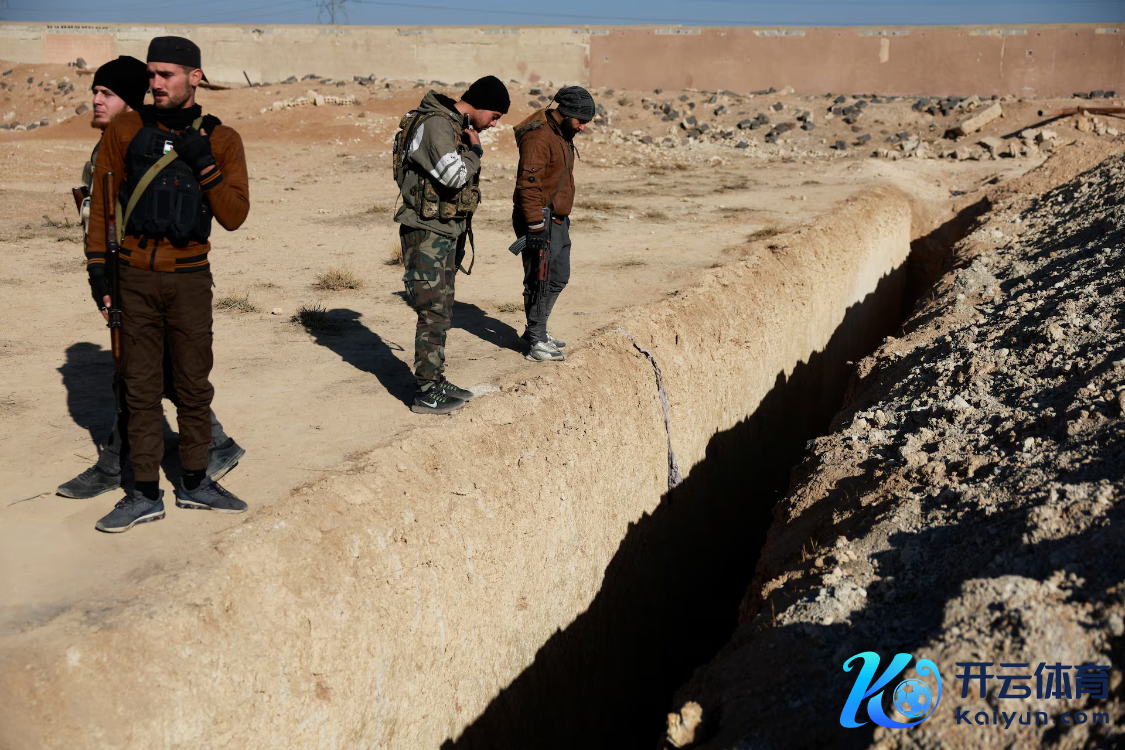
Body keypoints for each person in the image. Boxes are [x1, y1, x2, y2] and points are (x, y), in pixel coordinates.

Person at [58, 55, 244, 501]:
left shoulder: (168, 139)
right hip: (128, 274)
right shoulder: (113, 145)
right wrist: (100, 274)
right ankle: (183, 454)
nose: (96, 101)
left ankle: (135, 462)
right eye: (95, 92)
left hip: (168, 275)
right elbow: (99, 216)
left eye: (107, 94)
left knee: (159, 375)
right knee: (146, 375)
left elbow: (230, 212)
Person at [393, 76, 510, 414]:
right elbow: (454, 176)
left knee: (441, 311)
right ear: (481, 105)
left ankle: (435, 380)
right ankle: (426, 392)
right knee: (432, 311)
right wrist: (475, 152)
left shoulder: (452, 124)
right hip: (426, 233)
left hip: (442, 231)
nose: (494, 124)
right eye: (495, 116)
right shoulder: (437, 125)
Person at [511, 86, 594, 362]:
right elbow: (528, 185)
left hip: (557, 219)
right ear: (567, 113)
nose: (582, 127)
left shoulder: (561, 133)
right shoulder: (539, 137)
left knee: (558, 276)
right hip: (539, 219)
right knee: (539, 279)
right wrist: (535, 225)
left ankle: (537, 329)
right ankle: (536, 342)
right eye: (581, 121)